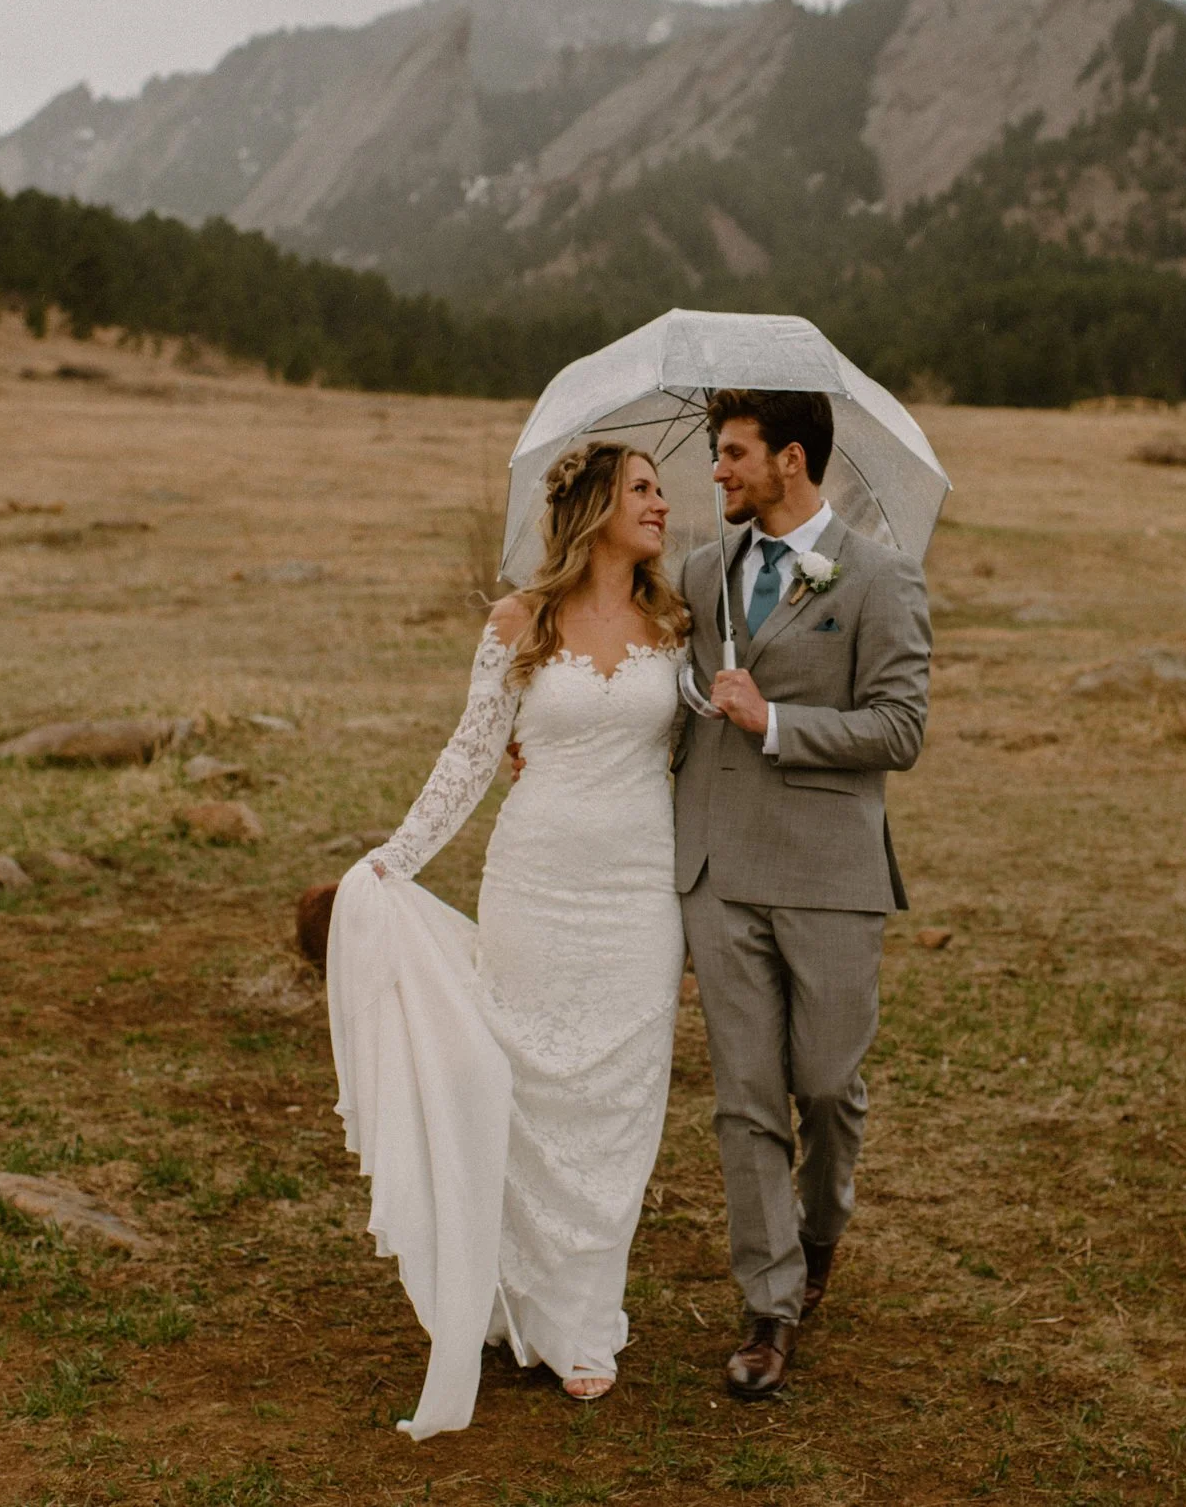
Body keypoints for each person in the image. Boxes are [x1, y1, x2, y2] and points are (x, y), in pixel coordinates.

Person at [331, 441, 689, 1437]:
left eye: (663, 489)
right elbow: (471, 751)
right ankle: (516, 1296)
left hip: (638, 892)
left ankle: (586, 1320)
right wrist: (395, 856)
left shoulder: (679, 625)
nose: (664, 504)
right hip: (534, 883)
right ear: (592, 508)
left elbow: (701, 762)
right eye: (644, 489)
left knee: (618, 1101)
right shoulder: (517, 623)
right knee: (527, 1086)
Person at [675, 389, 932, 1398]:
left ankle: (820, 1237)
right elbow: (670, 706)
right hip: (718, 872)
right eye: (712, 453)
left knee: (824, 1087)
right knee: (745, 1102)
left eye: (732, 453)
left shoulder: (878, 578)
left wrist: (774, 720)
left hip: (829, 874)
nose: (717, 472)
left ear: (790, 458)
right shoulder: (699, 576)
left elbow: (897, 729)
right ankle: (768, 1309)